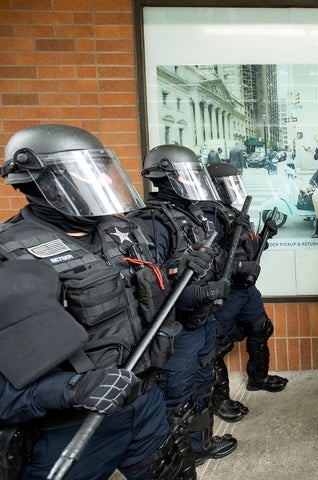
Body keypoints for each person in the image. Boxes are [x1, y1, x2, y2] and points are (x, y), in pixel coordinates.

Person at [0, 124, 194, 479]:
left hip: (145, 403)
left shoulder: (124, 233)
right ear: (43, 181)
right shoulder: (12, 258)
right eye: (86, 172)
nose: (103, 181)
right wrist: (72, 389)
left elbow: (153, 304)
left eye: (101, 170)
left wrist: (185, 273)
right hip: (72, 430)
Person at [130, 145, 237, 466]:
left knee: (202, 384)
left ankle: (200, 445)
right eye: (187, 175)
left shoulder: (191, 214)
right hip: (175, 329)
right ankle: (181, 459)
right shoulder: (151, 221)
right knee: (177, 397)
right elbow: (149, 285)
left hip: (202, 321)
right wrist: (196, 292)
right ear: (167, 178)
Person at [205, 162, 288, 405]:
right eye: (227, 184)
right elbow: (207, 259)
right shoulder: (207, 216)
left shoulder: (233, 211)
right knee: (217, 345)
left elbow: (245, 248)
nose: (232, 188)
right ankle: (219, 401)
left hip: (246, 289)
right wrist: (239, 267)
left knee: (261, 328)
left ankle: (258, 378)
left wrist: (263, 237)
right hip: (226, 291)